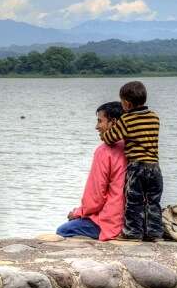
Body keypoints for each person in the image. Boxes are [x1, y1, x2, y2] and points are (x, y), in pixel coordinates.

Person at [100, 81, 163, 241]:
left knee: (134, 200)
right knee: (153, 201)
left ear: (127, 103)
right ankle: (154, 233)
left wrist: (104, 134)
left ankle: (133, 233)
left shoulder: (127, 119)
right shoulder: (154, 117)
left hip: (136, 166)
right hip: (154, 166)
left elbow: (110, 138)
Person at [56, 102, 127, 241]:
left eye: (100, 121)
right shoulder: (134, 148)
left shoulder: (104, 151)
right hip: (134, 221)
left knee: (63, 230)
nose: (97, 126)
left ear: (114, 122)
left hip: (112, 223)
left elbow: (95, 199)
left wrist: (78, 212)